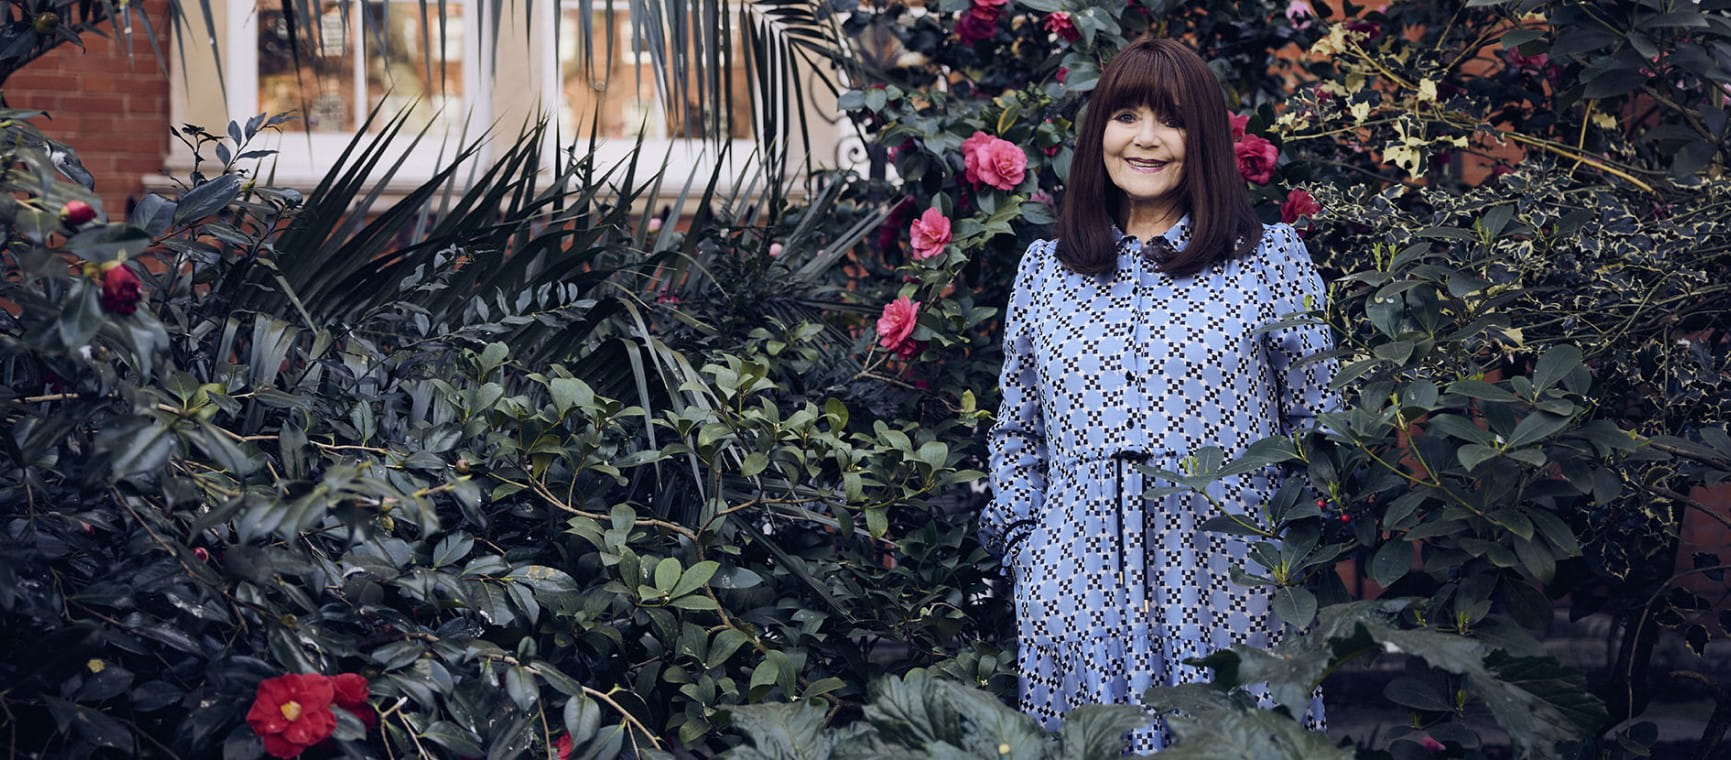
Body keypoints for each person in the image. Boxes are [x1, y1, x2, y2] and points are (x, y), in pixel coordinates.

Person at [980, 37, 1335, 751]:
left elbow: (1318, 422)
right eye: (1125, 115)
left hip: (1231, 605)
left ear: (1199, 137)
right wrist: (1028, 551)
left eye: (1169, 120)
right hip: (1078, 614)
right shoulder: (1045, 273)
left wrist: (1280, 556)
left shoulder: (1267, 262)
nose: (1144, 139)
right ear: (1098, 132)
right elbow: (1019, 432)